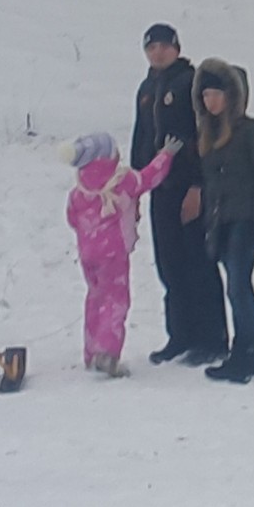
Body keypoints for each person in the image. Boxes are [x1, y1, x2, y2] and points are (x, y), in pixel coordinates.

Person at [132, 25, 227, 367]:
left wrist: (198, 186)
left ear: (176, 48)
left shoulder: (190, 83)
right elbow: (141, 138)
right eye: (151, 47)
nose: (158, 53)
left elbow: (205, 135)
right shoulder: (147, 88)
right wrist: (135, 186)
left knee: (198, 262)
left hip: (189, 187)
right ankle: (181, 335)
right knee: (169, 264)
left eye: (164, 46)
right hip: (161, 189)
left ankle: (213, 339)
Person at [62, 131, 182, 376]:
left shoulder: (79, 190)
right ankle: (107, 353)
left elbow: (72, 219)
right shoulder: (121, 181)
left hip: (88, 254)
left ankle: (91, 351)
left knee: (95, 298)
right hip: (113, 254)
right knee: (115, 300)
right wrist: (165, 156)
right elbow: (147, 178)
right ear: (105, 157)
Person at [193, 58, 254, 383]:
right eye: (205, 95)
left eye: (216, 94)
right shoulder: (208, 134)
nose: (210, 101)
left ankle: (247, 352)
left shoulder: (251, 131)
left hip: (245, 220)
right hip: (221, 222)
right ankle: (252, 352)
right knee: (238, 287)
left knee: (239, 287)